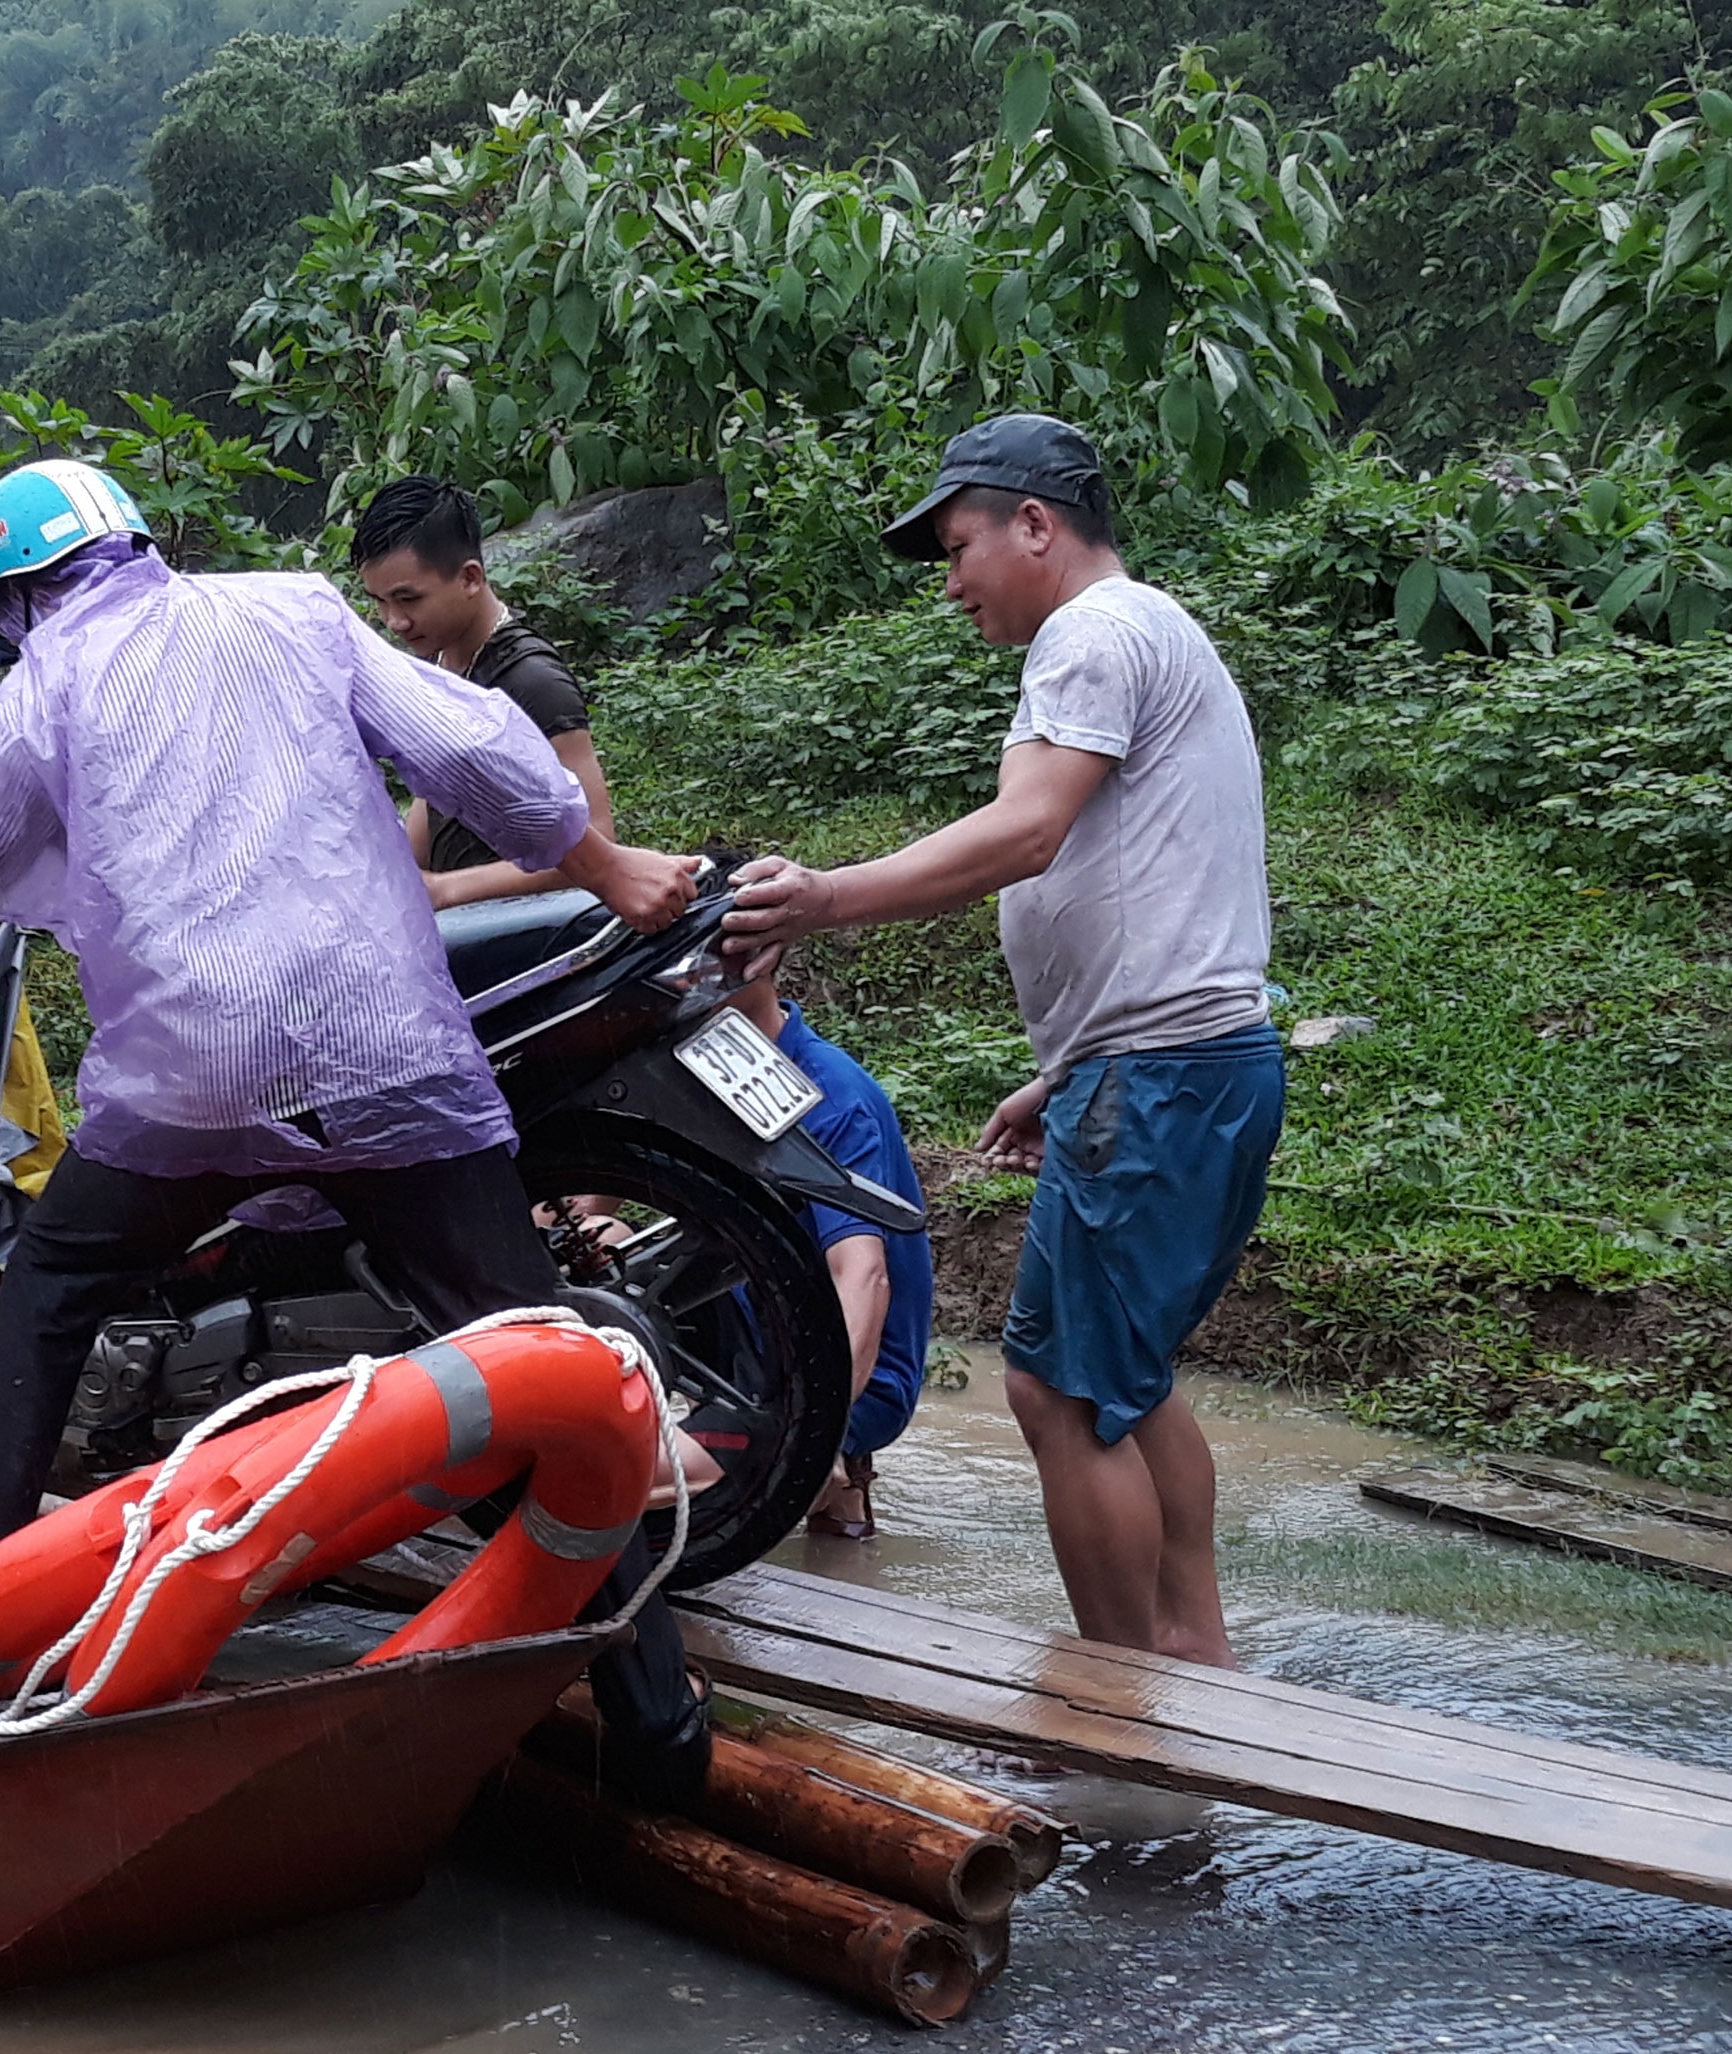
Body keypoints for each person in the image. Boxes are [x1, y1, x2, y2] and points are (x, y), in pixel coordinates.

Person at [0, 458, 718, 1791]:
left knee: (52, 1287)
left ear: (12, 604)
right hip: (390, 1056)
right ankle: (657, 1721)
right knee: (544, 1367)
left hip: (190, 1080)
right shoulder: (293, 608)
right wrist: (598, 859)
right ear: (132, 542)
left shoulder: (44, 689)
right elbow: (480, 754)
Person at [717, 414, 1282, 1668]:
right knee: (1125, 1373)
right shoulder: (1155, 630)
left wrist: (822, 895)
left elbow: (1028, 833)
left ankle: (1122, 1693)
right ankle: (1190, 1648)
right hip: (1184, 1062)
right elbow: (1165, 875)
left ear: (1037, 524)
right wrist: (1066, 1072)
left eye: (959, 545)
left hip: (1161, 1074)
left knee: (1058, 1388)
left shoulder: (1091, 633)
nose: (953, 581)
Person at [725, 975, 932, 1538]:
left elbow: (864, 1274)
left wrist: (815, 1429)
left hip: (854, 1376)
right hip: (760, 1334)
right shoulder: (709, 1071)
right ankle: (843, 1510)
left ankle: (832, 1466)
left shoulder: (832, 1097)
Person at [351, 477, 616, 910]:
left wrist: (446, 888)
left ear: (470, 578)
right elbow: (434, 797)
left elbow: (601, 840)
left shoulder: (533, 681)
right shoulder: (441, 667)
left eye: (408, 599)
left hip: (525, 934)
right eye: (380, 601)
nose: (394, 621)